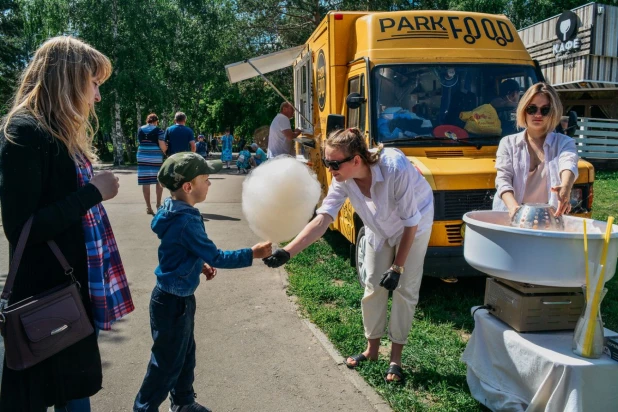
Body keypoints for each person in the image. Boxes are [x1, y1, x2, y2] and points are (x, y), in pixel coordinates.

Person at [0, 35, 134, 411]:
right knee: (54, 395)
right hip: (44, 298)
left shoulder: (56, 134)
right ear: (69, 80)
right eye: (94, 83)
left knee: (74, 393)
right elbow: (21, 226)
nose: (98, 96)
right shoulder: (24, 133)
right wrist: (92, 192)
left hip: (67, 292)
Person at [263, 128, 434, 384]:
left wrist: (398, 267)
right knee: (373, 284)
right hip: (380, 227)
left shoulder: (394, 168)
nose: (329, 170)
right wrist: (288, 252)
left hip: (414, 226)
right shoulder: (343, 178)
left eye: (333, 164)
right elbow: (323, 219)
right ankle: (372, 349)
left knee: (405, 291)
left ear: (356, 160)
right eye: (326, 163)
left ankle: (395, 357)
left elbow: (411, 223)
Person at [133, 152, 272, 412]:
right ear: (188, 187)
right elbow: (217, 255)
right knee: (166, 363)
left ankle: (184, 403)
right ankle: (143, 408)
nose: (209, 184)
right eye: (206, 179)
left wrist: (198, 265)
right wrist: (252, 253)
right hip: (173, 303)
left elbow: (179, 251)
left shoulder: (173, 210)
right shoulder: (186, 221)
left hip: (177, 297)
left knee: (185, 355)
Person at [493, 82, 578, 218]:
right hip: (509, 216)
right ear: (523, 110)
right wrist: (514, 208)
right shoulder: (508, 143)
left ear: (553, 113)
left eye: (545, 110)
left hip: (548, 219)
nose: (538, 114)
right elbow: (503, 179)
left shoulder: (564, 142)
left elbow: (569, 163)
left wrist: (566, 187)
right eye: (532, 109)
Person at [137, 113, 165, 215]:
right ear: (156, 121)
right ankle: (158, 204)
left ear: (147, 120)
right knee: (158, 180)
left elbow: (139, 141)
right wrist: (166, 150)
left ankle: (148, 207)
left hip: (142, 156)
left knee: (145, 181)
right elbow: (162, 145)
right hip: (155, 157)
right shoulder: (159, 130)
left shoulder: (140, 129)